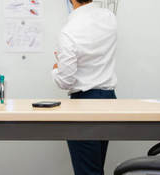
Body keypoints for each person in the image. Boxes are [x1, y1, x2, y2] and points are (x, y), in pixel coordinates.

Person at [51, 0, 117, 175]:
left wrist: (56, 69)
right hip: (110, 101)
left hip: (84, 105)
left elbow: (66, 80)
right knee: (96, 167)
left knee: (88, 171)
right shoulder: (110, 18)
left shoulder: (69, 31)